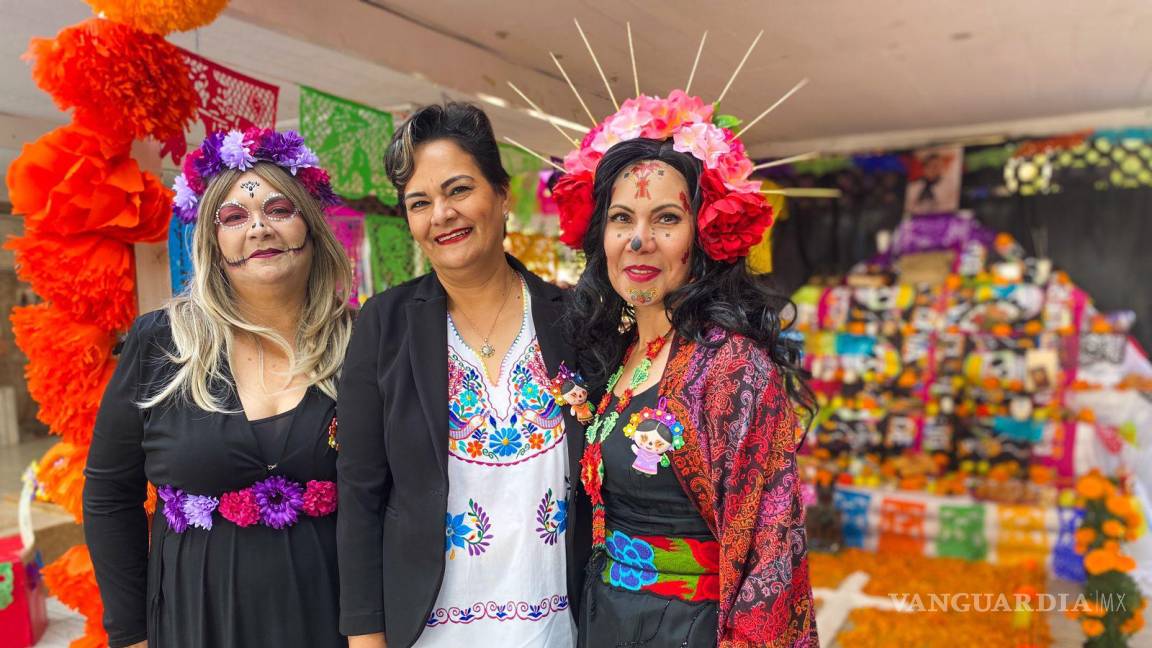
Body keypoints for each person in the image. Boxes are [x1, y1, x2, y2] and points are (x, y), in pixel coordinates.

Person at [555, 96, 819, 645]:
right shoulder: (613, 356)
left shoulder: (732, 369)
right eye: (621, 218)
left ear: (701, 236)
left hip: (688, 630)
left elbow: (771, 558)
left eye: (666, 219)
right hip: (605, 617)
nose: (638, 241)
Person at [83, 129, 354, 648]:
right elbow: (109, 496)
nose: (258, 228)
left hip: (336, 617)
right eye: (233, 217)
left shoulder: (361, 343)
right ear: (211, 241)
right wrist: (131, 635)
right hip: (196, 619)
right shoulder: (162, 342)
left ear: (312, 227)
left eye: (279, 209)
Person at [337, 102, 588, 648]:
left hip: (557, 631)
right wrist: (365, 637)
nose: (441, 215)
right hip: (429, 633)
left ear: (501, 195)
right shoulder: (383, 325)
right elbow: (359, 495)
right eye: (419, 203)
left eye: (458, 190)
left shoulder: (571, 320)